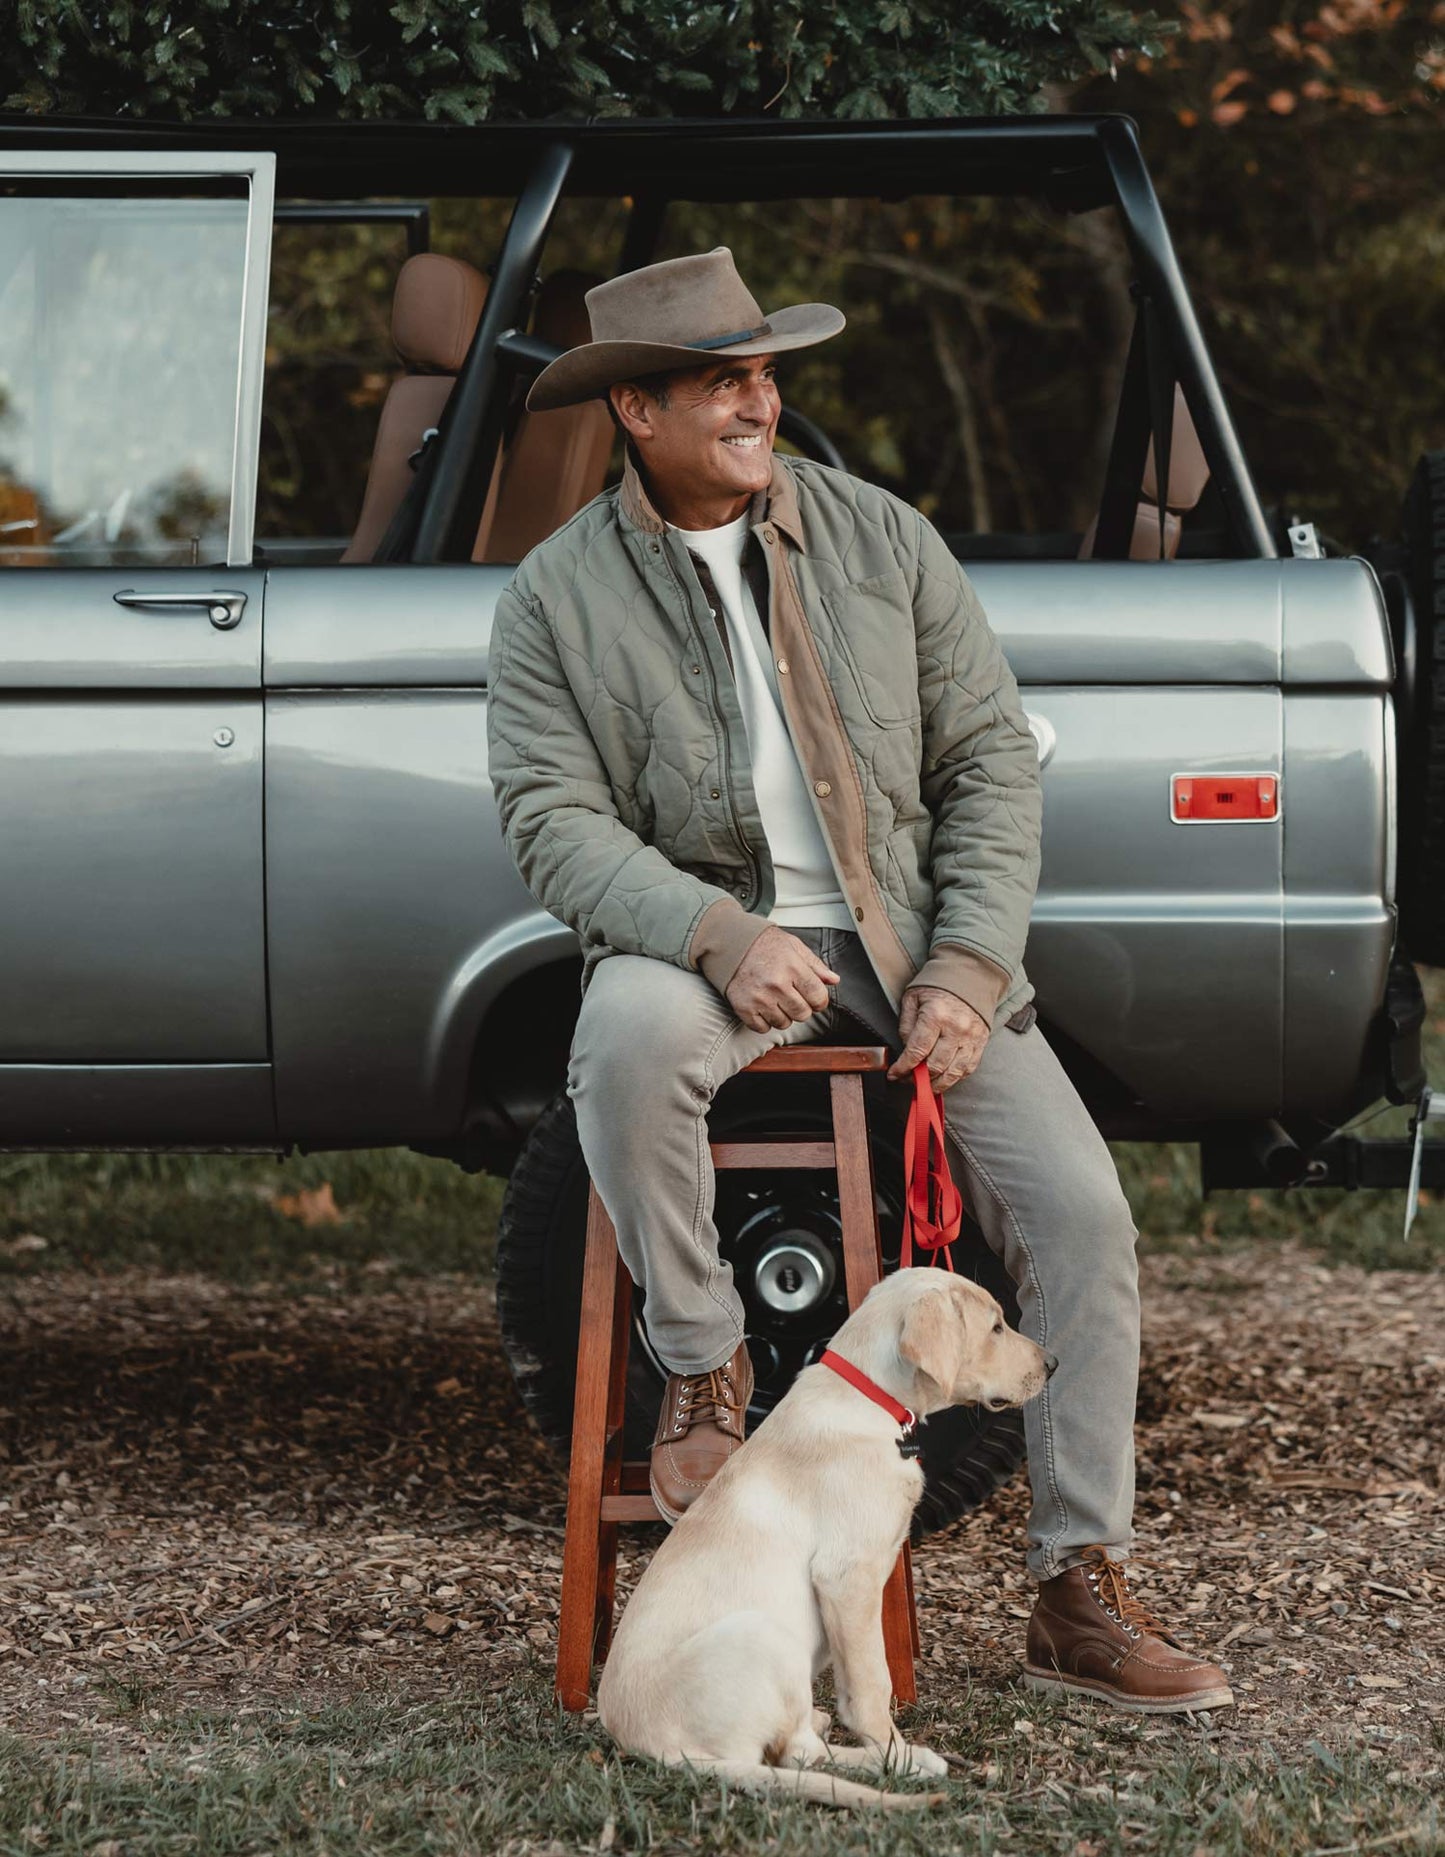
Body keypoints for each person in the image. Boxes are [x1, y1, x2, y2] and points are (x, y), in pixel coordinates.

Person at [486, 247, 1233, 1714]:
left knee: (1081, 1216)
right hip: (705, 944)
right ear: (633, 407)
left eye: (766, 372)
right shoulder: (554, 596)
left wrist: (964, 968)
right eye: (721, 378)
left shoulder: (883, 540)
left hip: (907, 950)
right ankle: (700, 1368)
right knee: (623, 1045)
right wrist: (715, 934)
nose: (760, 399)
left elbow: (986, 764)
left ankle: (1075, 1581)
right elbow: (549, 819)